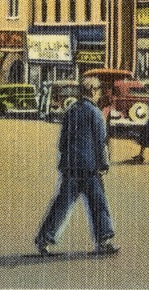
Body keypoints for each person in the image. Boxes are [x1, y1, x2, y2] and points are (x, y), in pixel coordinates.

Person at [34, 76, 118, 256]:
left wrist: (67, 158)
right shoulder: (95, 113)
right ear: (93, 91)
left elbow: (62, 142)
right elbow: (101, 142)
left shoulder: (71, 111)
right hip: (89, 169)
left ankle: (43, 241)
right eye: (99, 91)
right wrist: (104, 164)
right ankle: (104, 241)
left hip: (71, 167)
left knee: (61, 205)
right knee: (99, 204)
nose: (100, 94)